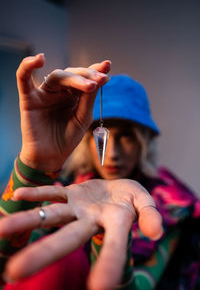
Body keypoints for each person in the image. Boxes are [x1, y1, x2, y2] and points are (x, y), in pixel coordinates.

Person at [0, 54, 199, 289]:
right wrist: (35, 164)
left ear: (143, 143)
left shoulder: (173, 204)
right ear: (86, 140)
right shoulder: (64, 186)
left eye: (127, 136)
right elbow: (7, 259)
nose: (113, 153)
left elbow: (144, 282)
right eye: (104, 135)